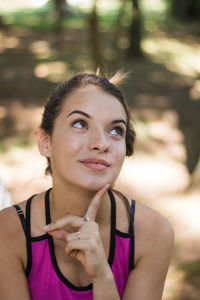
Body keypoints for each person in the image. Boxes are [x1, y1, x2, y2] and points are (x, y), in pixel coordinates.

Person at [0, 73, 174, 300]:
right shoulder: (7, 233)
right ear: (46, 142)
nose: (101, 144)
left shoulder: (153, 233)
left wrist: (102, 276)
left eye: (115, 130)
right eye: (80, 124)